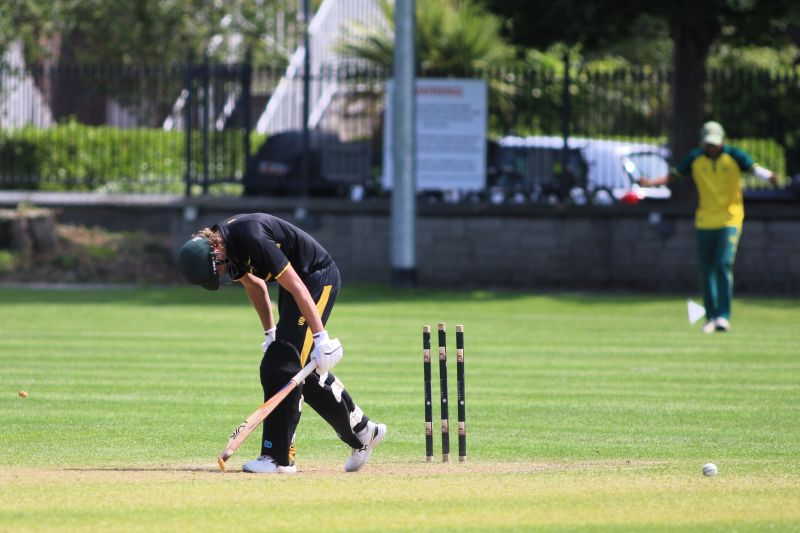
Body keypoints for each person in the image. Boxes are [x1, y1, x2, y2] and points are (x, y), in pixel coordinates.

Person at [177, 213, 386, 473]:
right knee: (297, 369)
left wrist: (321, 337)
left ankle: (278, 459)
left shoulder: (250, 236)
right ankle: (363, 430)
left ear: (215, 251)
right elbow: (256, 286)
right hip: (295, 286)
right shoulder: (227, 246)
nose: (220, 273)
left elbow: (297, 284)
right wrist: (270, 333)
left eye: (216, 269)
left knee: (280, 365)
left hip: (316, 279)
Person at [640, 121, 779, 333]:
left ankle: (723, 316)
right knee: (706, 268)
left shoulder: (734, 156)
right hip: (705, 220)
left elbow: (754, 168)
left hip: (730, 219)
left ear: (722, 140)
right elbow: (674, 176)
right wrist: (651, 183)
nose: (711, 147)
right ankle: (711, 317)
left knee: (723, 264)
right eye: (708, 144)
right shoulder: (695, 158)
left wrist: (770, 176)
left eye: (714, 143)